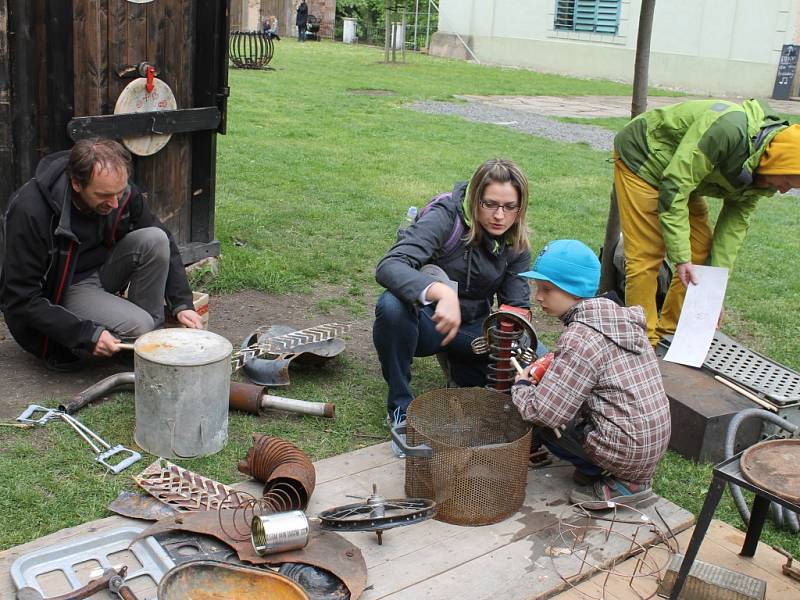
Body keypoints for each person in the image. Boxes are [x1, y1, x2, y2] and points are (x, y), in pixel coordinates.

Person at [373, 158, 537, 456]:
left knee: (535, 362)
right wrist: (440, 294)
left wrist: (516, 341)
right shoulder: (445, 218)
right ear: (475, 199)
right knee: (391, 306)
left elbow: (516, 303)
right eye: (490, 204)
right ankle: (400, 408)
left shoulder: (515, 242)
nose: (500, 216)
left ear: (520, 207)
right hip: (428, 322)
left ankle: (460, 367)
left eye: (510, 207)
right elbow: (390, 266)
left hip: (473, 331)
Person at [0, 138, 202, 369]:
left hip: (102, 270)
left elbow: (163, 237)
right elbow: (19, 298)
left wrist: (182, 304)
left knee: (155, 238)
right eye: (105, 195)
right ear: (76, 184)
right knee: (140, 326)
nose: (115, 203)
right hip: (62, 290)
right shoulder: (30, 211)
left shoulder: (119, 193)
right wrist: (85, 334)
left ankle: (145, 343)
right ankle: (142, 336)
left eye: (119, 192)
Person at [613, 99, 800, 346]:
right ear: (779, 160)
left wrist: (712, 295)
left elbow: (732, 230)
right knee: (647, 255)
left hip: (681, 177)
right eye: (787, 180)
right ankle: (643, 343)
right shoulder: (728, 131)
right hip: (644, 156)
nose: (784, 190)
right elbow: (675, 186)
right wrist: (680, 257)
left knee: (699, 251)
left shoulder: (763, 176)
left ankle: (672, 331)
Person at [510, 240, 671, 510]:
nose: (538, 297)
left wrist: (523, 385)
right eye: (538, 288)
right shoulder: (618, 318)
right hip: (651, 439)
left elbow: (545, 412)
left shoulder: (581, 337)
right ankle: (614, 471)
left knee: (547, 426)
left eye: (547, 289)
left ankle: (624, 485)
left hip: (628, 449)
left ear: (573, 290)